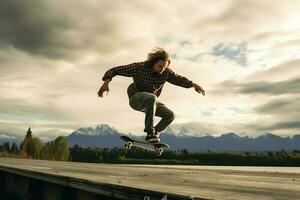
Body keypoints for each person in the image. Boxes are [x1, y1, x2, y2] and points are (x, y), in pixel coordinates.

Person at [97, 47, 205, 142]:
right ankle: (149, 131)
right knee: (152, 97)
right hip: (136, 99)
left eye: (164, 67)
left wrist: (193, 85)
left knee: (170, 115)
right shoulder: (139, 67)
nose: (162, 69)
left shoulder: (166, 73)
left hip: (151, 103)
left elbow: (179, 79)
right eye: (160, 66)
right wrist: (106, 83)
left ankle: (154, 134)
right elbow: (115, 70)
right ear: (153, 62)